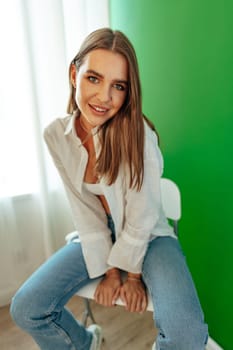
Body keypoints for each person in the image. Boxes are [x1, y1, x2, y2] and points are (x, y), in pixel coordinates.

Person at [10, 28, 208, 350]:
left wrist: (129, 274)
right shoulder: (56, 136)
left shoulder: (138, 135)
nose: (104, 97)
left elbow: (142, 215)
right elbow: (85, 212)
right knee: (27, 308)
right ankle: (83, 343)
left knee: (186, 335)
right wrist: (110, 270)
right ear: (75, 74)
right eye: (94, 78)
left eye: (118, 86)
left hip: (150, 235)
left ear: (129, 92)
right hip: (98, 233)